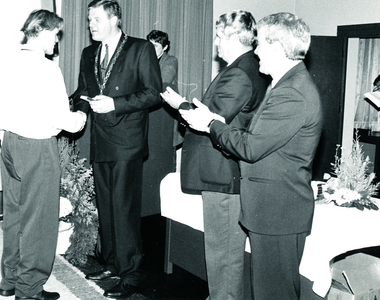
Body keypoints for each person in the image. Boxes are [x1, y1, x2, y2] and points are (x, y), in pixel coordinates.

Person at [177, 12, 323, 300]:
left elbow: (250, 148)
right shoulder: (284, 85)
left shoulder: (292, 92)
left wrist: (210, 123)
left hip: (278, 212)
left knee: (274, 293)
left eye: (261, 45)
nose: (255, 52)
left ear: (279, 48)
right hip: (271, 211)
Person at [161, 10, 267, 300]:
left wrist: (181, 106)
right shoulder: (244, 67)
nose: (217, 43)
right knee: (222, 254)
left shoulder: (240, 72)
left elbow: (210, 120)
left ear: (233, 37)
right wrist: (182, 103)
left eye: (220, 36)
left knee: (224, 256)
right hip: (222, 174)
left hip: (223, 176)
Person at [71, 0, 162, 298]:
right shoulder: (88, 53)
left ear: (114, 19)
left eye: (96, 19)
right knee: (107, 207)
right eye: (89, 20)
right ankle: (112, 263)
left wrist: (115, 104)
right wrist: (76, 110)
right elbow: (84, 90)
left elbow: (153, 94)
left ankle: (132, 273)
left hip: (128, 141)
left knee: (123, 209)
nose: (91, 25)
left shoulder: (140, 49)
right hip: (101, 139)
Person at [0, 9, 87, 300]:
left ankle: (9, 280)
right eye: (56, 35)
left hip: (10, 144)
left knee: (13, 214)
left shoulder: (10, 62)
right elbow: (61, 118)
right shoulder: (47, 68)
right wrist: (81, 117)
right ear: (44, 32)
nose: (57, 42)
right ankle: (29, 289)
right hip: (37, 147)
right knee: (40, 220)